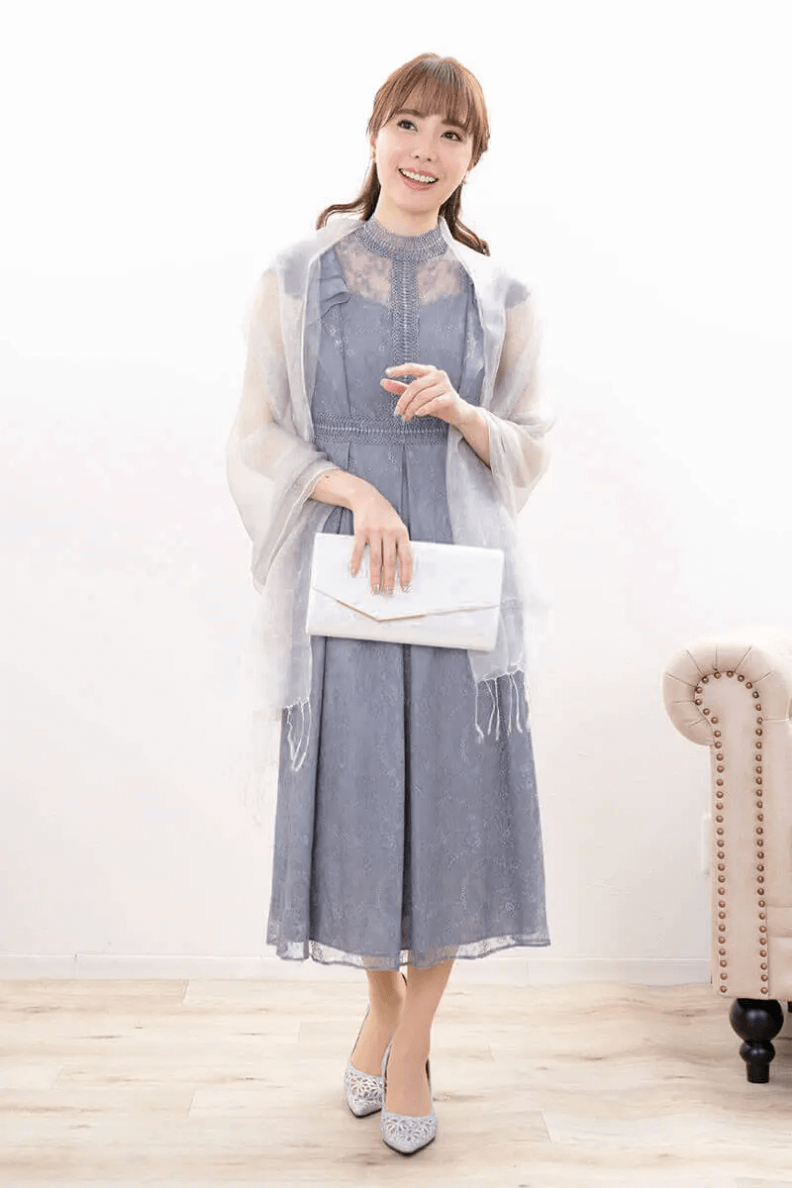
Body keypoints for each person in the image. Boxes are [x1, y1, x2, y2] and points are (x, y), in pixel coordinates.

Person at [226, 52, 555, 1155]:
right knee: (359, 806)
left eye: (452, 135)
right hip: (347, 569)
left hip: (461, 574)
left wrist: (462, 412)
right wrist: (356, 487)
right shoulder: (295, 275)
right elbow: (257, 437)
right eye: (408, 125)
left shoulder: (502, 295)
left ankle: (407, 1042)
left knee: (454, 811)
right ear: (375, 134)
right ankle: (381, 1010)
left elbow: (532, 448)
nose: (425, 150)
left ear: (473, 158)